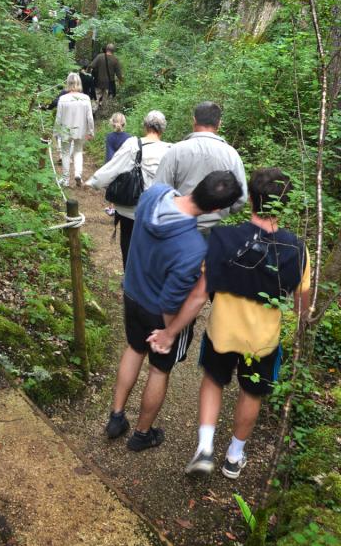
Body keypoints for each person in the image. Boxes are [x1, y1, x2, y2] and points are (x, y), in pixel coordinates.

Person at [148, 168, 310, 480]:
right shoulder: (296, 249)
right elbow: (303, 306)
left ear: (250, 198)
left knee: (213, 380)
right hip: (262, 341)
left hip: (221, 332)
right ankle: (234, 457)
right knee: (251, 392)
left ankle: (205, 449)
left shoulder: (223, 237)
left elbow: (198, 296)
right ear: (285, 204)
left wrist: (170, 332)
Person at [104, 171, 243, 450]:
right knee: (158, 370)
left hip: (133, 293)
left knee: (133, 349)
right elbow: (170, 302)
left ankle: (116, 416)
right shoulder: (192, 248)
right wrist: (169, 333)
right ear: (216, 209)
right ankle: (142, 434)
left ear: (198, 185)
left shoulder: (154, 195)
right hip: (158, 312)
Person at [87, 111, 169, 263]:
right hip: (158, 210)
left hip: (131, 209)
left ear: (145, 126)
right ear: (163, 129)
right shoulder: (171, 150)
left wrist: (95, 182)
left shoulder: (133, 144)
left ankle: (130, 278)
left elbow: (113, 167)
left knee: (129, 243)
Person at [154, 101, 247, 233]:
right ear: (219, 123)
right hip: (216, 232)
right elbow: (240, 200)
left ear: (194, 120)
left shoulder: (175, 151)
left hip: (178, 229)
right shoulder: (231, 154)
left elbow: (159, 192)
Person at [54, 72, 94, 187]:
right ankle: (78, 174)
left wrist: (56, 132)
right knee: (78, 152)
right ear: (79, 83)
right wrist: (91, 131)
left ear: (68, 83)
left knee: (65, 153)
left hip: (65, 130)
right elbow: (90, 117)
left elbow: (58, 118)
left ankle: (65, 179)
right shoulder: (85, 98)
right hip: (80, 130)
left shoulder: (63, 98)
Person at [90, 43, 123, 108]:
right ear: (113, 51)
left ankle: (93, 110)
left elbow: (91, 66)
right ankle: (103, 112)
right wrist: (121, 80)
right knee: (105, 98)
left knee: (96, 96)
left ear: (106, 49)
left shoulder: (99, 56)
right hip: (109, 83)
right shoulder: (115, 60)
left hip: (98, 81)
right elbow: (118, 73)